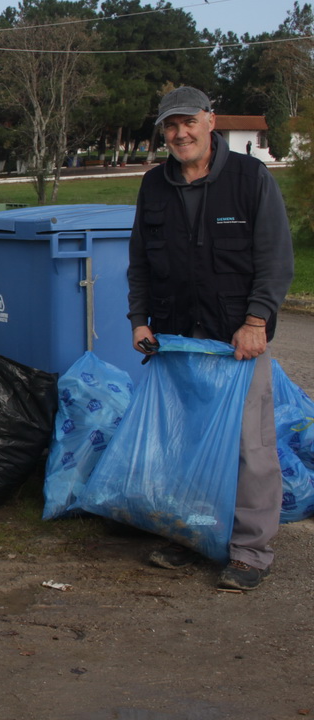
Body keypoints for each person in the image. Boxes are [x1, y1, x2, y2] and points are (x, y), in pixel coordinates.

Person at [128, 85, 294, 591]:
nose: (180, 134)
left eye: (188, 123)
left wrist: (257, 321)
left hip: (234, 340)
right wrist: (140, 319)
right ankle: (194, 536)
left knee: (250, 448)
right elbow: (140, 261)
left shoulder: (249, 179)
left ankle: (249, 551)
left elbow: (275, 259)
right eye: (170, 127)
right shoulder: (155, 185)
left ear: (210, 121)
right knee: (185, 444)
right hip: (177, 339)